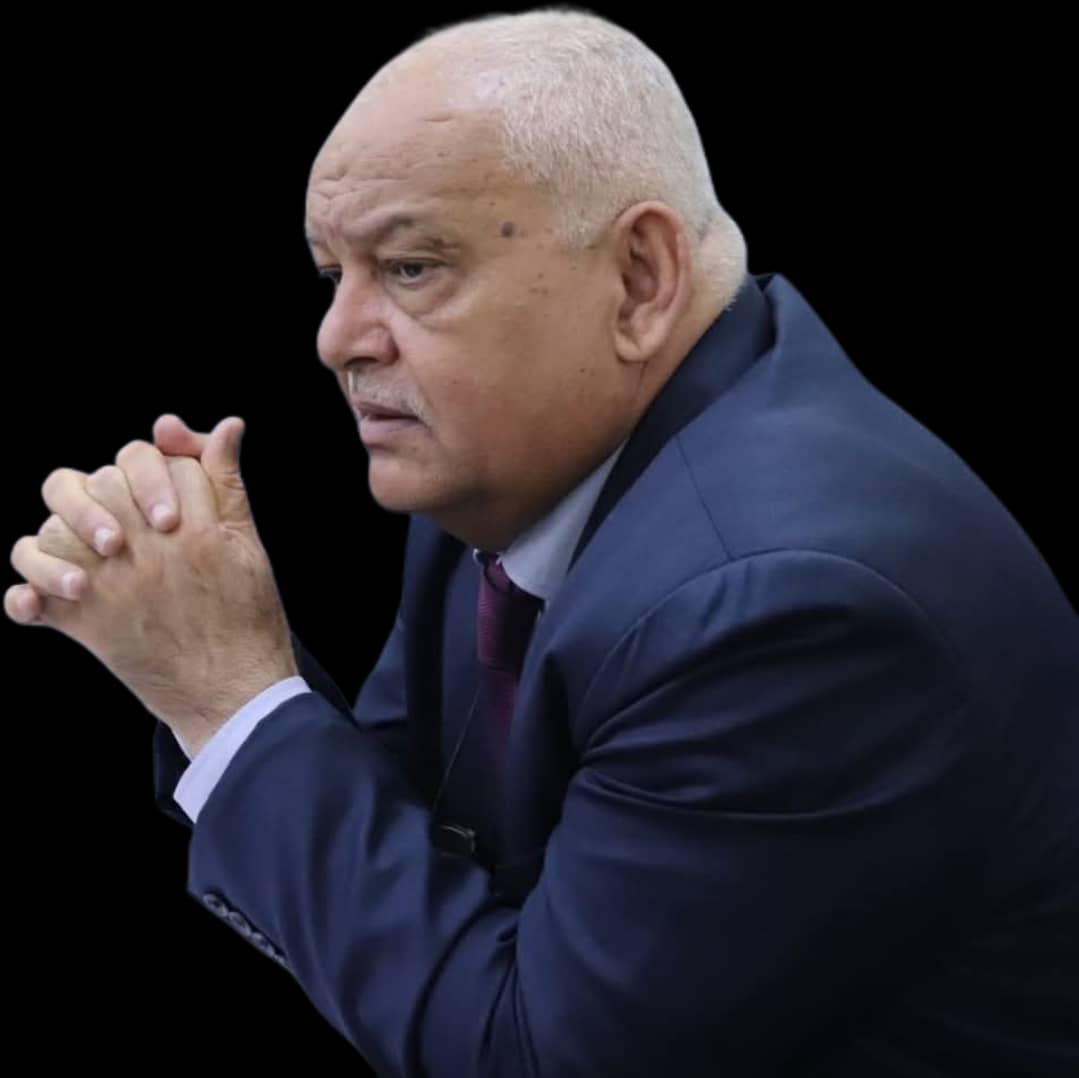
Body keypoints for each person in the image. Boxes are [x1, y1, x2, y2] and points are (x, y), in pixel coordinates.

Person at [6, 8, 1078, 1076]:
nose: (336, 339)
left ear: (639, 279)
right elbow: (408, 846)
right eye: (334, 276)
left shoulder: (786, 608)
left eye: (411, 267)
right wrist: (208, 651)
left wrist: (228, 695)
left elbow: (531, 1057)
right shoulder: (520, 468)